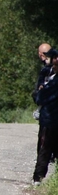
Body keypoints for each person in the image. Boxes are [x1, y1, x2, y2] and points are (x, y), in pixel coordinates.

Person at [32, 48, 58, 186]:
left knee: (45, 149)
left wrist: (41, 93)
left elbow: (40, 97)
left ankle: (38, 178)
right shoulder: (46, 73)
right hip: (48, 119)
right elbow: (37, 94)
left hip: (50, 120)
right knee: (44, 149)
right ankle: (38, 178)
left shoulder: (54, 81)